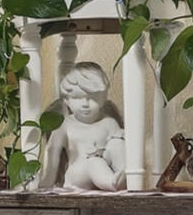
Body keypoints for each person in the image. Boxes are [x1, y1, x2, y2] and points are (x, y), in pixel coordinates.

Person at [39, 59, 129, 191]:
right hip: (78, 176)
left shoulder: (109, 122)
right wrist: (47, 181)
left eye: (93, 98)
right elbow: (52, 151)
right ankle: (112, 182)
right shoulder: (65, 124)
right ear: (67, 100)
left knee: (117, 142)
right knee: (94, 162)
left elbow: (117, 151)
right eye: (77, 98)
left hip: (105, 169)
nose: (85, 104)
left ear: (103, 98)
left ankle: (124, 174)